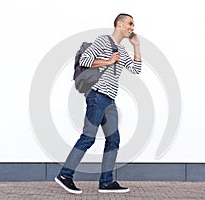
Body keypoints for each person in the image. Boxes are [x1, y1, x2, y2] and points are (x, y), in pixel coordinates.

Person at [55, 13, 142, 194]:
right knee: (88, 137)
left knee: (113, 139)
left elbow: (136, 69)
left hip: (109, 99)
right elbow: (85, 60)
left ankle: (106, 182)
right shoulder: (103, 41)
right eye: (130, 24)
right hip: (96, 95)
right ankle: (65, 175)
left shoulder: (122, 50)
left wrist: (136, 46)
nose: (132, 28)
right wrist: (108, 60)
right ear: (119, 24)